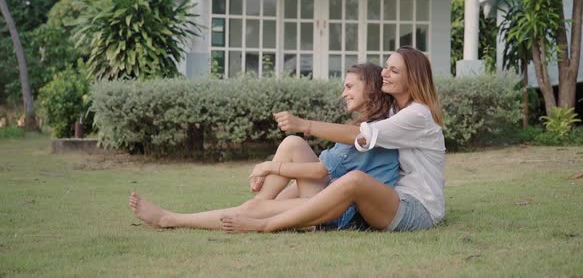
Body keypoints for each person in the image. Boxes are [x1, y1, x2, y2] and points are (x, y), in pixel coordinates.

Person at [128, 63, 400, 230]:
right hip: (333, 197)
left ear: (372, 90)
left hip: (340, 215)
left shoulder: (374, 132)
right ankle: (258, 205)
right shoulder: (369, 127)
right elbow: (324, 171)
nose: (343, 93)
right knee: (292, 144)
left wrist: (269, 165)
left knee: (254, 208)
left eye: (350, 86)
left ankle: (169, 219)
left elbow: (319, 172)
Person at [220, 46, 445, 233]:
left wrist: (304, 125)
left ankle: (266, 225)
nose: (384, 73)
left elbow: (361, 136)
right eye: (385, 67)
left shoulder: (417, 115)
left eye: (393, 70)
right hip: (392, 198)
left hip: (418, 209)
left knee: (354, 179)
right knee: (276, 189)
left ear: (412, 79)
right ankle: (246, 211)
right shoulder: (394, 110)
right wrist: (269, 170)